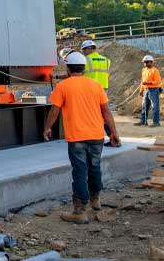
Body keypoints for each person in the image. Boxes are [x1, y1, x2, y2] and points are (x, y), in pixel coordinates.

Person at [43, 51, 120, 224]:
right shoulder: (96, 85)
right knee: (95, 167)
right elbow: (106, 111)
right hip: (96, 136)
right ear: (84, 69)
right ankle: (95, 200)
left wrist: (47, 128)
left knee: (80, 171)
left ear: (68, 70)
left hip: (77, 137)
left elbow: (54, 111)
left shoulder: (63, 86)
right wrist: (114, 132)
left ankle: (79, 211)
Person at [81, 40, 115, 147]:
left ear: (88, 49)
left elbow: (78, 74)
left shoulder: (85, 60)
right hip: (103, 89)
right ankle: (113, 138)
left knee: (89, 114)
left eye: (83, 50)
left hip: (90, 90)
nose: (83, 52)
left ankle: (91, 139)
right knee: (104, 114)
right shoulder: (106, 60)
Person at [135, 55, 162, 127]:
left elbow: (158, 81)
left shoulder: (155, 71)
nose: (145, 63)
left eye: (147, 62)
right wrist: (141, 90)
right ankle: (143, 121)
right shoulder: (144, 70)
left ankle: (156, 122)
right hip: (146, 90)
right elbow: (142, 81)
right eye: (144, 62)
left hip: (154, 90)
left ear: (151, 62)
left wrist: (148, 83)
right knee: (144, 106)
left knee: (154, 106)